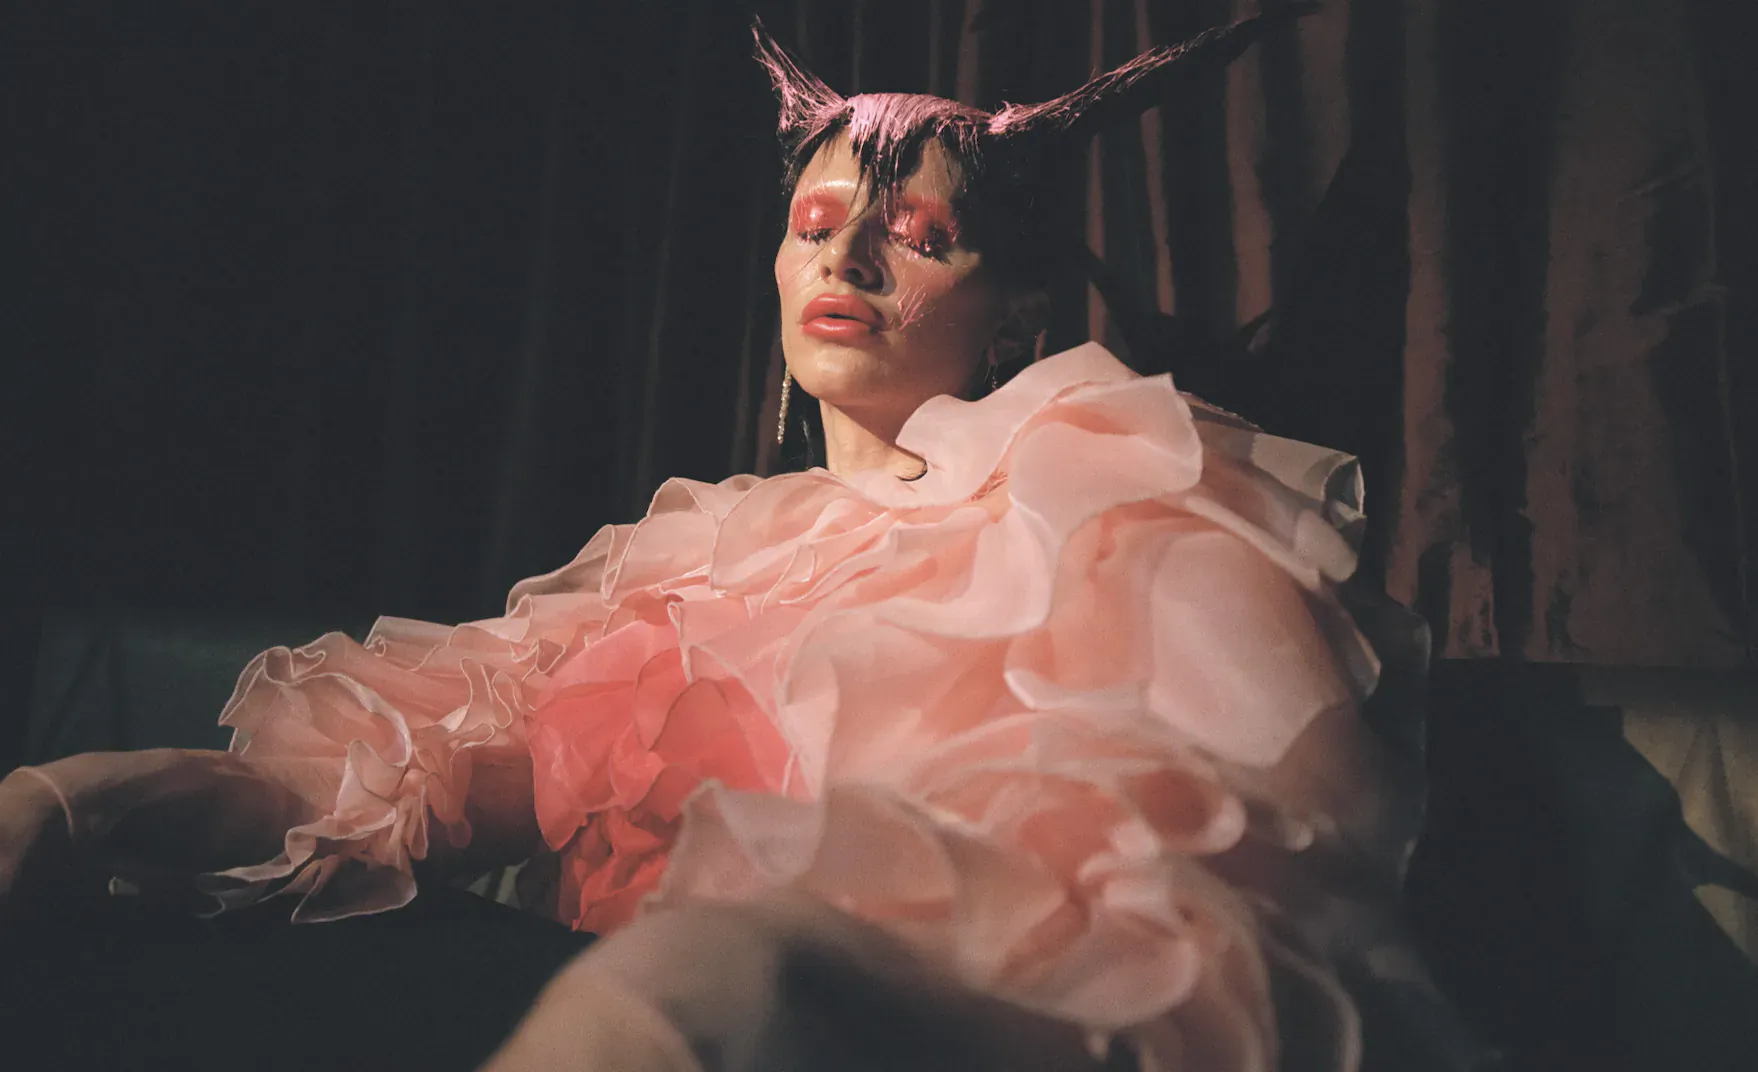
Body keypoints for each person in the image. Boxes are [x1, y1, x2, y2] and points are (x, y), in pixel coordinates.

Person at [0, 7, 1484, 1070]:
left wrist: (742, 978)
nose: (843, 252)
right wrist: (87, 797)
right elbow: (433, 783)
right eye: (819, 216)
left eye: (915, 231)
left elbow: (1159, 909)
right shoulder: (701, 551)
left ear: (1014, 309)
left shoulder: (1101, 491)